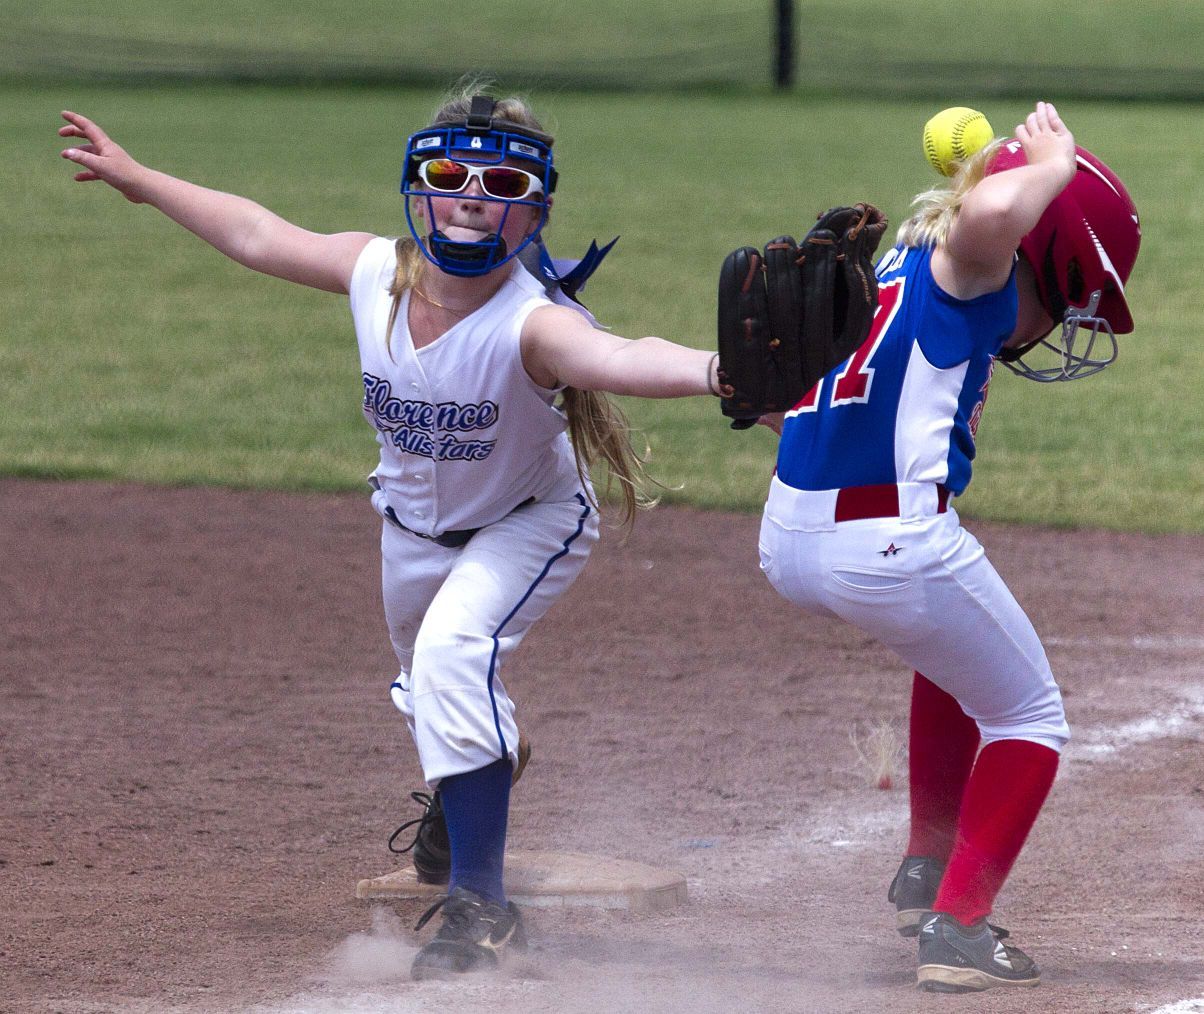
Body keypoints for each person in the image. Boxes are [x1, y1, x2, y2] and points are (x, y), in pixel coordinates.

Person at [59, 90, 727, 980]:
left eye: (503, 180)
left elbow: (622, 356)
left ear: (537, 206)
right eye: (451, 174)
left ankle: (481, 910)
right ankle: (487, 768)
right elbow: (259, 234)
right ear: (419, 185)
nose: (472, 195)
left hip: (528, 525)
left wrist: (720, 372)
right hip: (410, 529)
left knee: (454, 655)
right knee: (429, 687)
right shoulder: (377, 273)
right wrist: (142, 181)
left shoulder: (532, 319)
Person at [755, 102, 1140, 992]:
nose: (1065, 321)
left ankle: (926, 866)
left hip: (790, 534)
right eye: (1076, 294)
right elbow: (990, 218)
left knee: (956, 655)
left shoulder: (899, 271)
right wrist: (1054, 164)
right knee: (1032, 720)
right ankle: (959, 927)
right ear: (1049, 246)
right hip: (890, 539)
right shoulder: (977, 260)